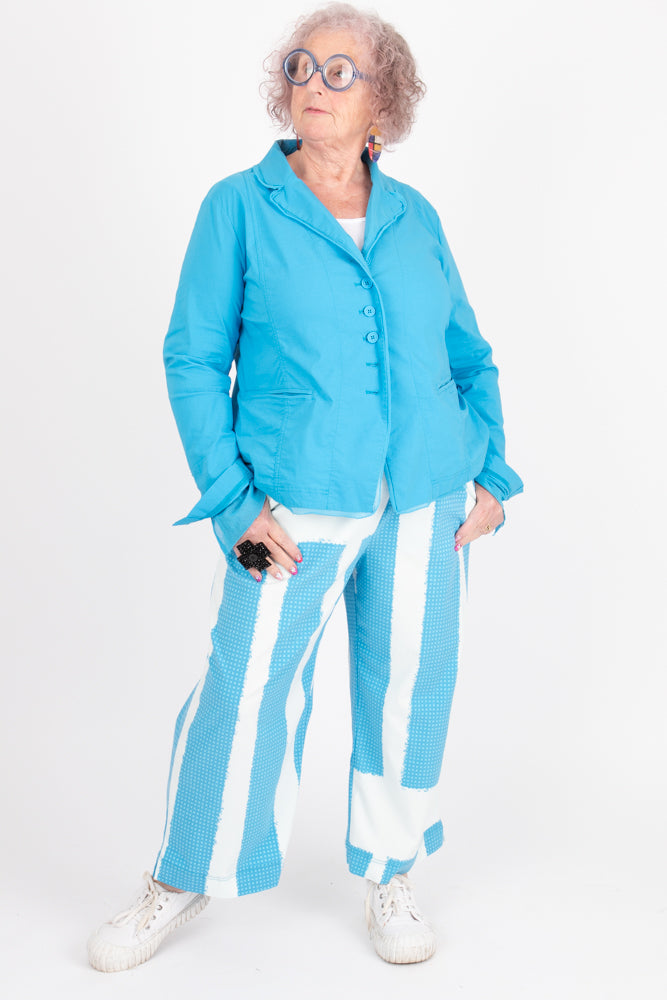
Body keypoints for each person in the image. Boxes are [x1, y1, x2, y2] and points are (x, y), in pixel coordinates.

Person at [87, 1, 523, 973]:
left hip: (425, 497)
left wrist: (492, 475)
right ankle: (184, 872)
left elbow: (468, 355)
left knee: (409, 687)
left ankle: (391, 870)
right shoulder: (237, 207)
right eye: (300, 65)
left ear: (383, 103)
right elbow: (192, 357)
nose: (312, 84)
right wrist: (233, 502)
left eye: (338, 71)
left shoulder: (414, 217)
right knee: (243, 688)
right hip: (290, 500)